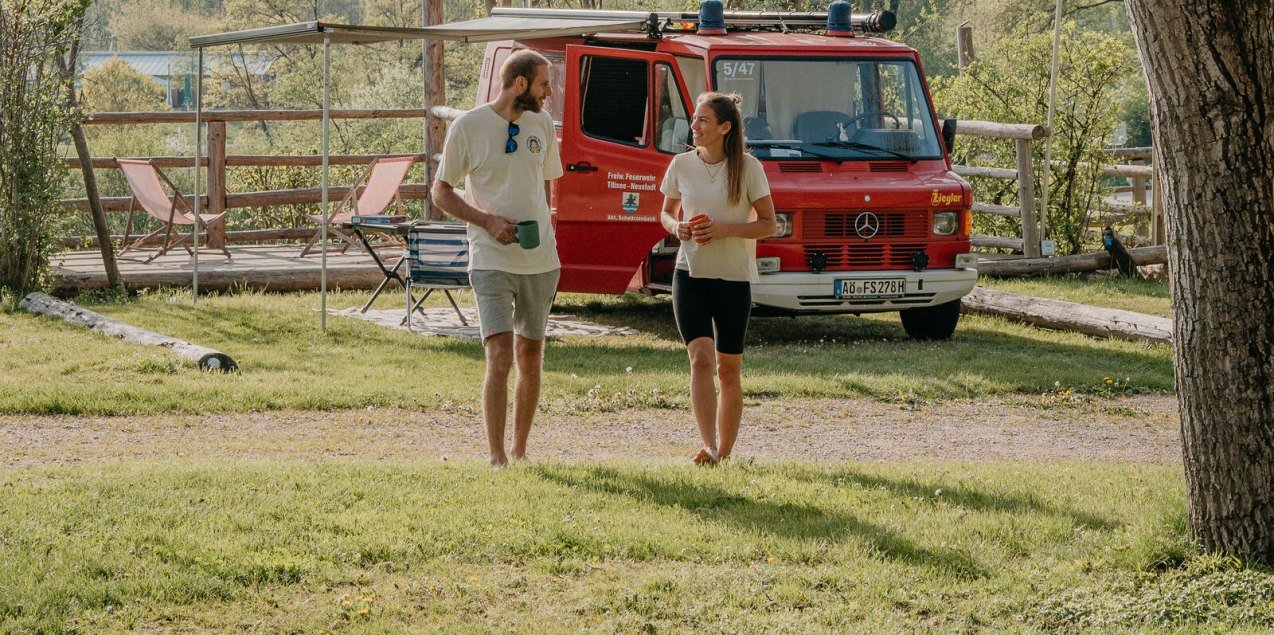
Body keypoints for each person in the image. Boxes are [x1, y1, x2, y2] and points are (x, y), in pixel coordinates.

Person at [431, 50, 563, 467]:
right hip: (489, 258)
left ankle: (521, 452)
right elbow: (441, 191)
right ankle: (496, 456)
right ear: (520, 84)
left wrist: (546, 229)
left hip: (540, 261)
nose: (550, 91)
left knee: (530, 355)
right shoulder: (468, 127)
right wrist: (487, 221)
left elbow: (546, 185)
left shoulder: (542, 124)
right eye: (544, 83)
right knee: (500, 354)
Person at [658, 92, 776, 465]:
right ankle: (708, 446)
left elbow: (769, 225)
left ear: (725, 127)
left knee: (728, 368)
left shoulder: (750, 168)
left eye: (703, 120)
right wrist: (677, 227)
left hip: (733, 278)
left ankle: (725, 452)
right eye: (694, 119)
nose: (694, 125)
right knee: (701, 359)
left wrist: (726, 229)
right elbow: (665, 213)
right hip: (689, 274)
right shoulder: (680, 164)